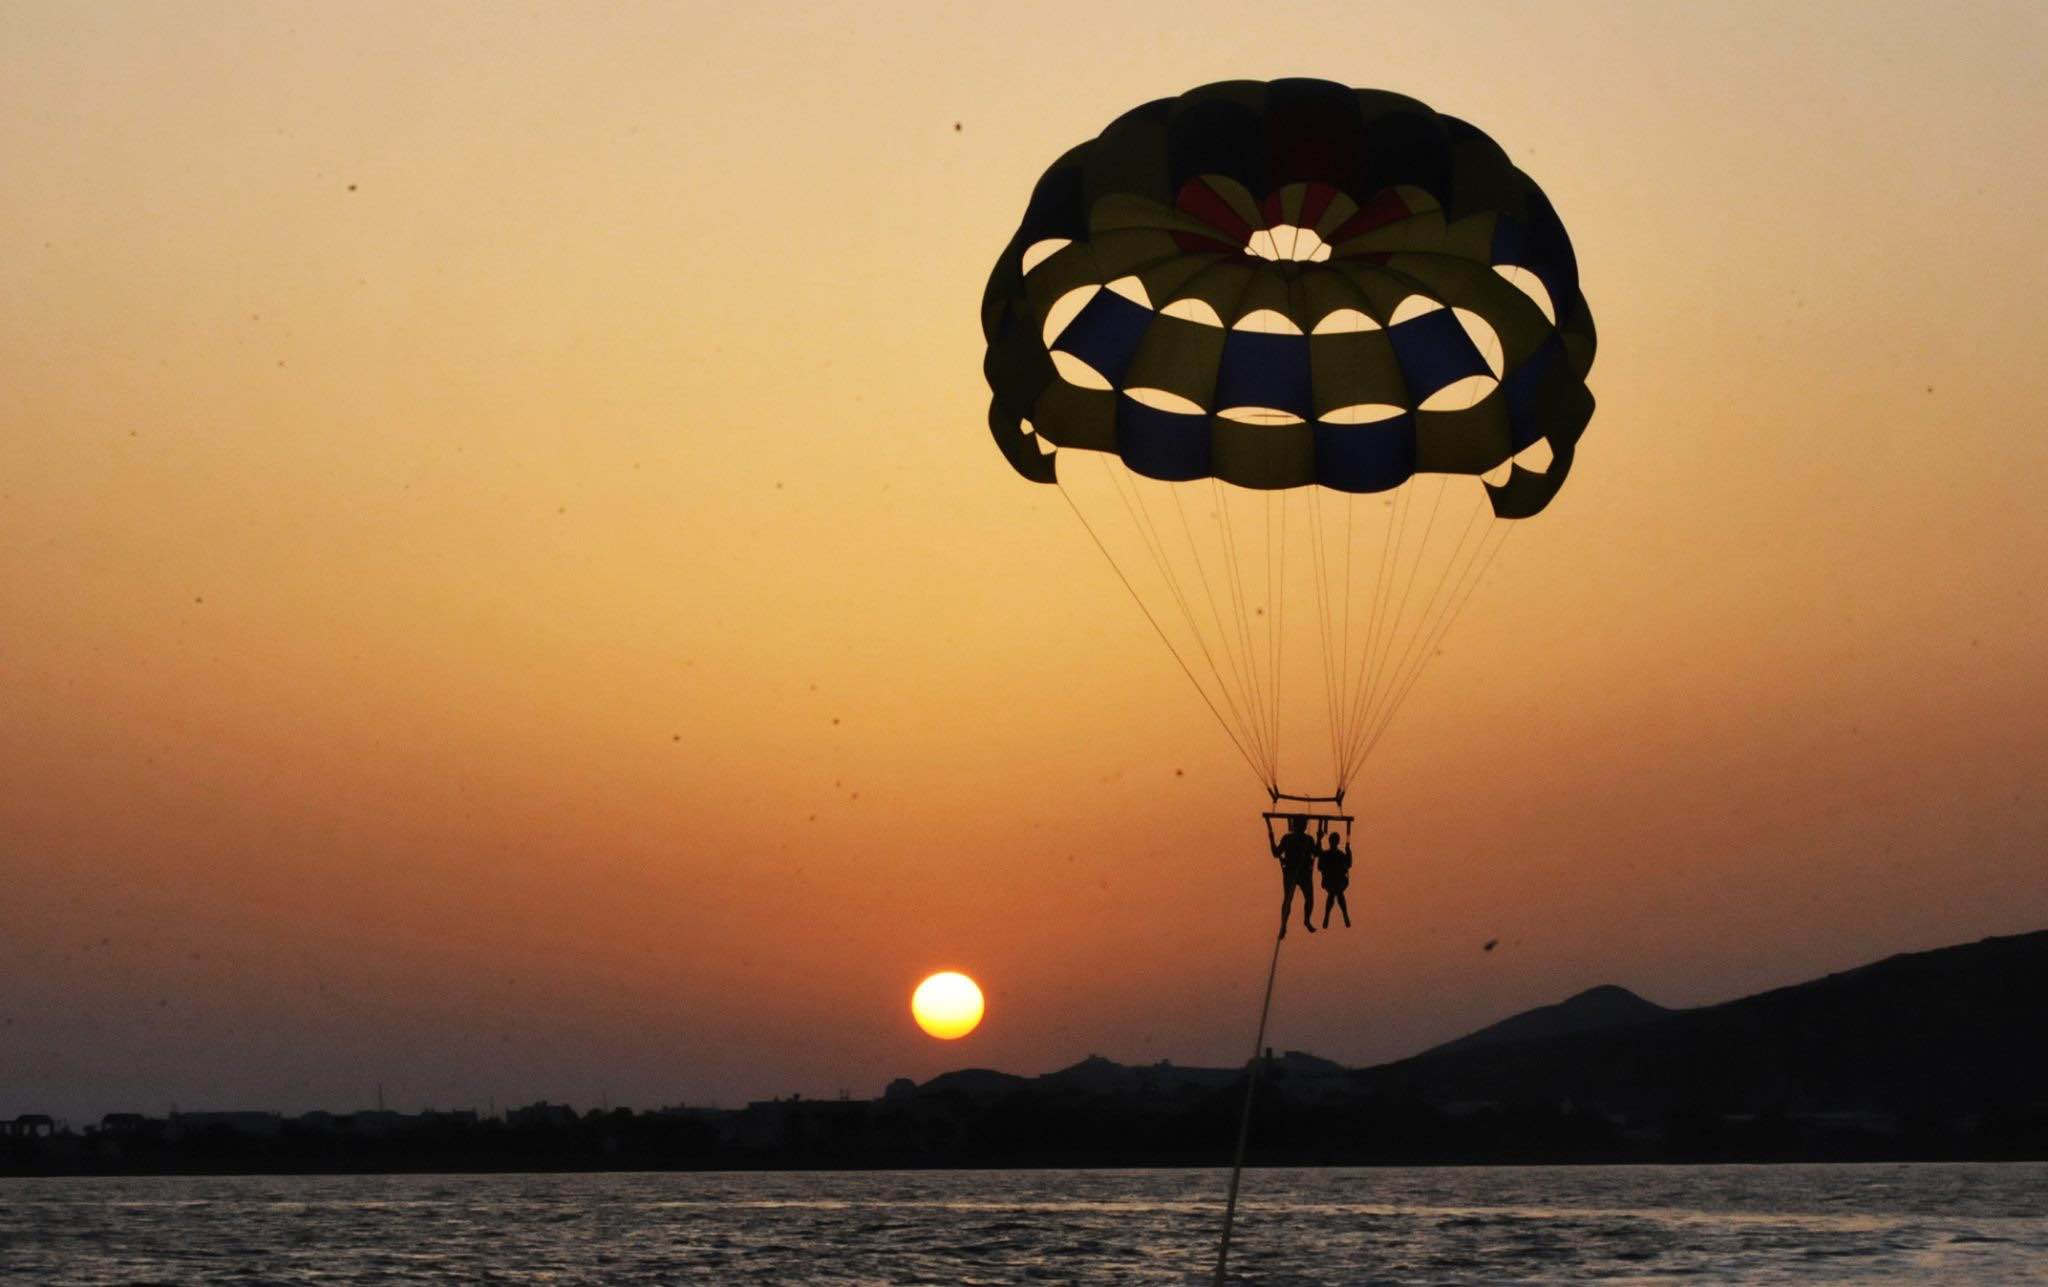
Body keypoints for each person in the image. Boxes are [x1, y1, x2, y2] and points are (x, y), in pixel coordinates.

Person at [1268, 815, 1317, 938]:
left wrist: (1271, 839)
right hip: (1296, 872)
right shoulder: (1293, 838)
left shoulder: (1305, 839)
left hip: (1298, 872)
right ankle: (1287, 924)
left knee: (1302, 899)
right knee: (1294, 899)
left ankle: (1302, 921)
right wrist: (1271, 838)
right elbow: (1276, 853)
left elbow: (1276, 853)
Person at [1318, 831, 1353, 929]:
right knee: (1337, 893)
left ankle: (1328, 916)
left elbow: (1348, 864)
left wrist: (1348, 851)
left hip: (1334, 881)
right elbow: (1349, 864)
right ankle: (1343, 914)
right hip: (1335, 881)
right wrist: (1348, 852)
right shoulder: (1339, 855)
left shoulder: (1329, 854)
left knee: (1333, 893)